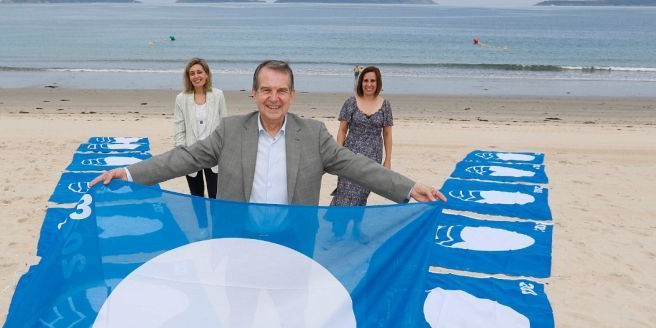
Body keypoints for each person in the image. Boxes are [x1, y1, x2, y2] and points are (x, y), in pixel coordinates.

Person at [89, 60, 444, 205]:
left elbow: (357, 165)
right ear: (254, 94)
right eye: (266, 90)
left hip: (294, 245)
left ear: (291, 96)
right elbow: (183, 159)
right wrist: (131, 172)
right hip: (239, 242)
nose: (274, 98)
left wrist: (409, 187)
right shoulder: (230, 131)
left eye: (281, 91)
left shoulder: (315, 134)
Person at [331, 65, 393, 206]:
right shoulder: (350, 102)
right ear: (361, 82)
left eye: (373, 81)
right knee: (345, 191)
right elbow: (342, 130)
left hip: (373, 158)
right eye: (366, 81)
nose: (369, 84)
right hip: (349, 155)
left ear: (378, 83)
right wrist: (338, 153)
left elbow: (388, 134)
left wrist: (388, 160)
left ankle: (356, 226)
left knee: (361, 195)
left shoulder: (385, 105)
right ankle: (338, 225)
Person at [175, 58, 227, 198]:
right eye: (192, 73)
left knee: (215, 197)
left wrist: (224, 150)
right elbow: (179, 128)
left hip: (213, 154)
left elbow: (224, 125)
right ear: (188, 77)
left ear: (207, 74)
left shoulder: (218, 95)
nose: (196, 76)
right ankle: (201, 221)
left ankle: (216, 221)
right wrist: (181, 153)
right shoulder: (181, 98)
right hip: (191, 154)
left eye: (199, 72)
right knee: (196, 196)